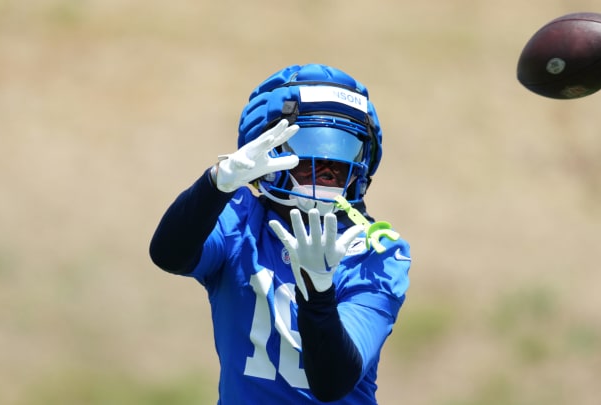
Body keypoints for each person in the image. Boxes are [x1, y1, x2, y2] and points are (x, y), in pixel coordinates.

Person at [149, 63, 411, 404]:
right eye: (307, 150)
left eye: (343, 153)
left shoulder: (377, 252)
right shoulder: (240, 217)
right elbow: (168, 254)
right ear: (267, 148)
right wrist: (216, 183)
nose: (325, 166)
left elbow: (332, 381)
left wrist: (319, 290)